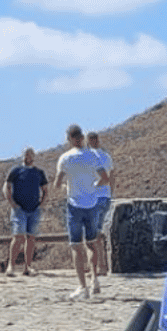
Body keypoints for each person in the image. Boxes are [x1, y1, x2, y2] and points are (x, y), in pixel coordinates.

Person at [54, 124, 110, 300]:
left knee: (76, 246)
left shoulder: (65, 158)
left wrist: (66, 187)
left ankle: (82, 286)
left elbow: (57, 183)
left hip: (74, 204)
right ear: (82, 137)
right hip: (92, 203)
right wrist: (93, 186)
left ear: (69, 138)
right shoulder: (93, 155)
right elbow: (105, 178)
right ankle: (94, 278)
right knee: (92, 242)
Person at [4, 147, 47, 276]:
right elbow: (7, 187)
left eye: (29, 155)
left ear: (33, 157)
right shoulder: (16, 171)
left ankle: (28, 267)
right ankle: (11, 266)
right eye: (25, 155)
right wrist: (12, 203)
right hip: (19, 210)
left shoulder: (39, 172)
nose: (27, 157)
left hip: (34, 209)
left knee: (31, 238)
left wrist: (42, 204)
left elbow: (45, 189)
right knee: (18, 237)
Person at [87, 131, 114, 277]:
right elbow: (112, 177)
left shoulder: (89, 156)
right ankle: (100, 265)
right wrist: (111, 194)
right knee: (98, 232)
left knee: (93, 234)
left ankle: (99, 265)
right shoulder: (107, 156)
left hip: (93, 197)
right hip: (106, 196)